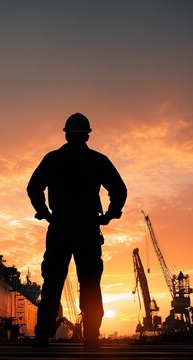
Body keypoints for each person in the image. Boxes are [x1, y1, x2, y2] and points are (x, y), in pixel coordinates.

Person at [27, 113, 127, 348]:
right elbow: (119, 190)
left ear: (66, 134)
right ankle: (91, 335)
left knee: (52, 283)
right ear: (87, 135)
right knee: (90, 283)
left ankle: (43, 336)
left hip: (60, 227)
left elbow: (34, 188)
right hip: (87, 229)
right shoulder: (97, 161)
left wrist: (43, 211)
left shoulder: (53, 159)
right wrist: (110, 214)